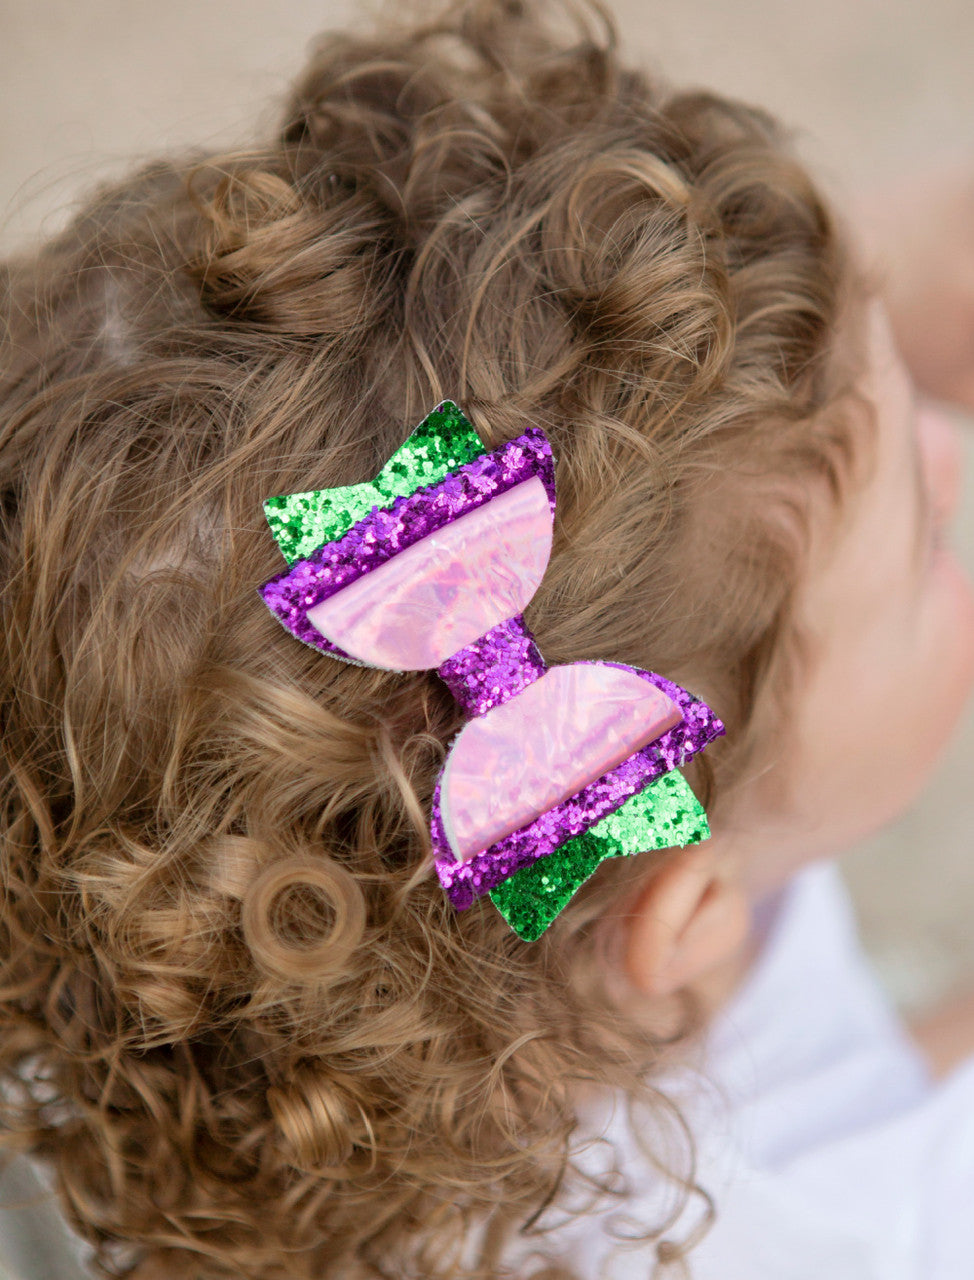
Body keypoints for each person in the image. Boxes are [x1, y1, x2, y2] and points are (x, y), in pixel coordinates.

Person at [1, 1, 973, 1276]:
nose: (948, 458)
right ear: (677, 932)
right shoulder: (866, 1225)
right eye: (914, 558)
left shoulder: (421, 990)